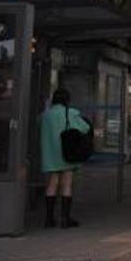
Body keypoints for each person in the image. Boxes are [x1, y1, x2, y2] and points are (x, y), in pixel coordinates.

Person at [38, 88, 90, 228]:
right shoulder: (71, 113)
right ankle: (65, 219)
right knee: (66, 185)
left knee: (51, 185)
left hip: (50, 155)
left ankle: (49, 219)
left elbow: (38, 127)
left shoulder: (45, 115)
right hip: (66, 154)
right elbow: (85, 128)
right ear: (67, 100)